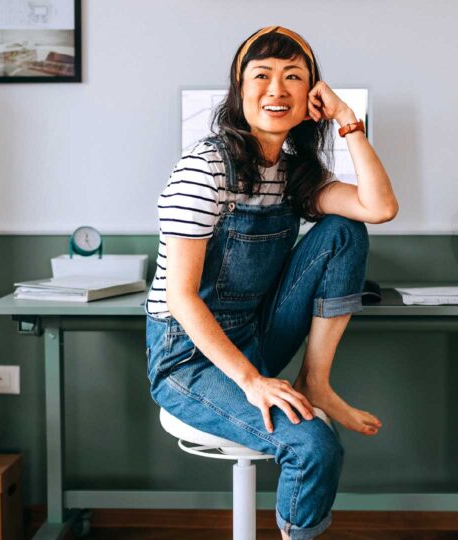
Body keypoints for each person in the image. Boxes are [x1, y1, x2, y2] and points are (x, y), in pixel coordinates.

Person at [145, 25, 398, 540]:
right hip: (189, 359)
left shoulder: (295, 173)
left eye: (293, 78)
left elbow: (379, 208)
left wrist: (349, 123)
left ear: (313, 98)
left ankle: (316, 382)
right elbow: (180, 296)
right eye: (261, 76)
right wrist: (251, 380)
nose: (277, 90)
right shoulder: (204, 168)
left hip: (256, 334)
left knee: (344, 229)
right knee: (315, 446)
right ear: (239, 93)